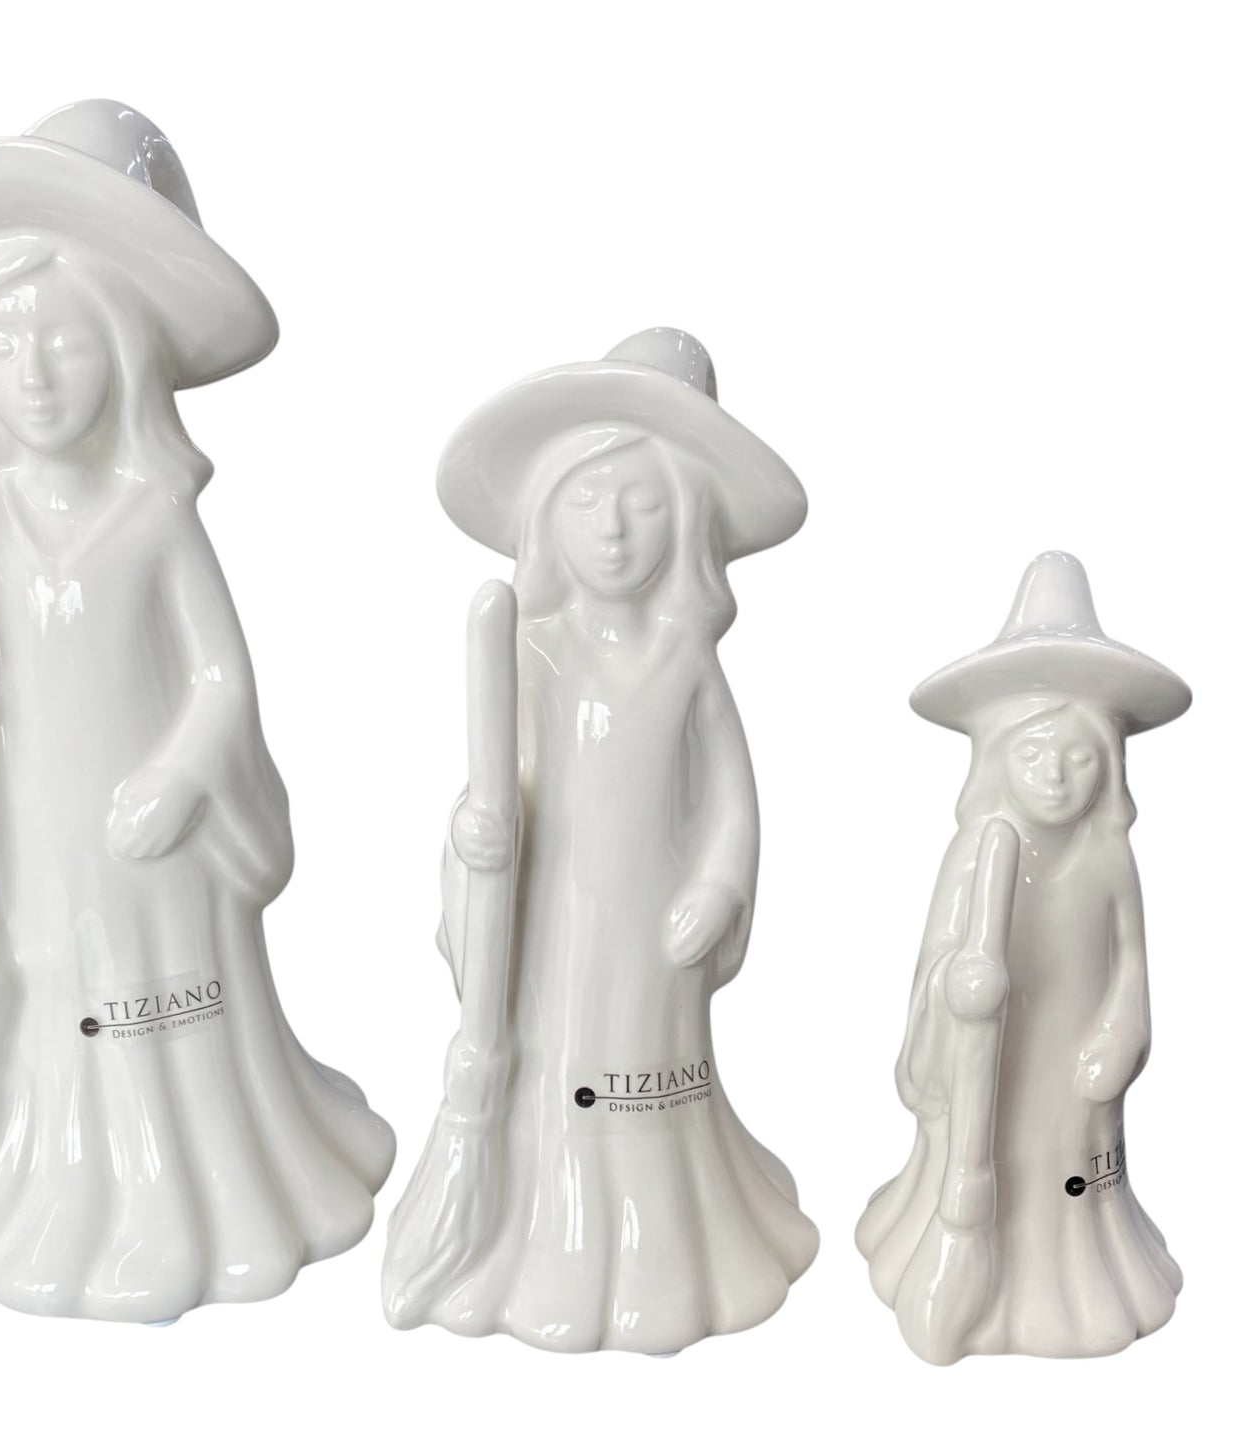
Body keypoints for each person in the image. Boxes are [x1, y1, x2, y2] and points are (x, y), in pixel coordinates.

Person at [0, 101, 394, 1322]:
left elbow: (221, 678)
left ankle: (194, 1185)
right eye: (2, 345)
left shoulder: (153, 514)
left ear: (127, 350)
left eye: (66, 341)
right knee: (60, 986)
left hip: (154, 839)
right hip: (44, 832)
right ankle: (61, 1173)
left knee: (164, 997)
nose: (34, 375)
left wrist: (183, 774)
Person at [384, 328, 819, 1353]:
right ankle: (537, 1229)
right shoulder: (529, 651)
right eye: (585, 501)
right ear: (546, 517)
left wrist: (719, 884)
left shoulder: (685, 662)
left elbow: (732, 798)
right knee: (559, 1064)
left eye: (641, 503)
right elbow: (496, 782)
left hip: (653, 931)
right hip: (554, 935)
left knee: (647, 1069)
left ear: (686, 518)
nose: (613, 531)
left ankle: (670, 1232)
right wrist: (472, 831)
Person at [857, 551, 1189, 1359]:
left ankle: (1074, 1273)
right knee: (992, 1148)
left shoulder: (1108, 860)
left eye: (1079, 758)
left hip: (1072, 1061)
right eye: (1034, 756)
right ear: (997, 760)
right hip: (994, 1062)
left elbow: (1130, 962)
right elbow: (937, 957)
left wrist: (1123, 1029)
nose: (1055, 777)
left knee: (1067, 1164)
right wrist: (956, 987)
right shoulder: (976, 852)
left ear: (1108, 765)